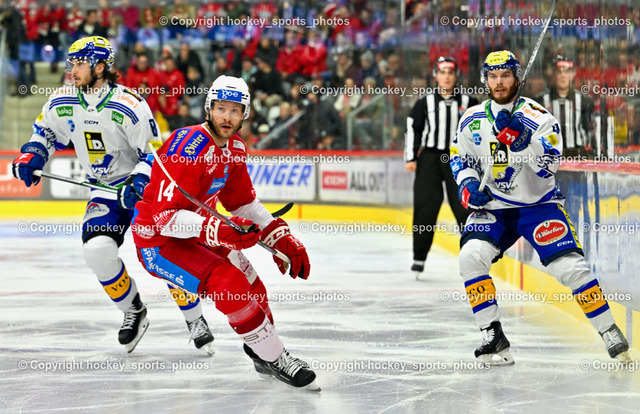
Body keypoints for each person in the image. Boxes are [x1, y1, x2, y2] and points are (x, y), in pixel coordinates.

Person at [12, 36, 214, 354]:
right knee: (96, 250)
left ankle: (194, 319)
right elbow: (46, 132)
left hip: (144, 191)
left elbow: (154, 151)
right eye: (72, 63)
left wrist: (139, 180)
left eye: (80, 64)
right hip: (104, 190)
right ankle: (133, 310)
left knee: (165, 255)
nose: (72, 70)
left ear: (100, 67)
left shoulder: (129, 104)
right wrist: (34, 153)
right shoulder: (62, 101)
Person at [130, 75, 320, 391]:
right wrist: (219, 230)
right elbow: (165, 218)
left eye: (235, 110)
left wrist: (278, 235)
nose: (227, 117)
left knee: (251, 283)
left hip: (197, 231)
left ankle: (261, 350)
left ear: (245, 114)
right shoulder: (187, 145)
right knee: (229, 283)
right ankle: (277, 358)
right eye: (221, 109)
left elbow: (241, 202)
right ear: (209, 108)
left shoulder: (235, 148)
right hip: (159, 241)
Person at [450, 50, 630, 365]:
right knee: (470, 257)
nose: (499, 82)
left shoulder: (539, 117)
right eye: (492, 76)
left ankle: (609, 330)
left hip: (539, 206)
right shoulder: (472, 118)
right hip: (494, 207)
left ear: (517, 78)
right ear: (485, 80)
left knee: (570, 268)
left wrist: (524, 140)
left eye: (505, 75)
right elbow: (460, 159)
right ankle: (492, 334)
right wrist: (467, 186)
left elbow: (550, 165)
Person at [404, 57, 478, 277]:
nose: (446, 77)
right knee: (425, 208)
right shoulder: (424, 102)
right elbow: (413, 128)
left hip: (459, 158)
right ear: (435, 75)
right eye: (442, 72)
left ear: (456, 76)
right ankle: (419, 257)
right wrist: (411, 157)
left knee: (465, 207)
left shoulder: (469, 101)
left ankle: (474, 256)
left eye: (450, 73)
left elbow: (479, 129)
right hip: (430, 159)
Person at [537, 56, 595, 158]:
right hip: (550, 154)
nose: (563, 76)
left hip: (577, 153)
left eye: (567, 72)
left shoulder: (583, 100)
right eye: (559, 72)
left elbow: (589, 129)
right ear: (554, 75)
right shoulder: (542, 101)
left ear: (572, 75)